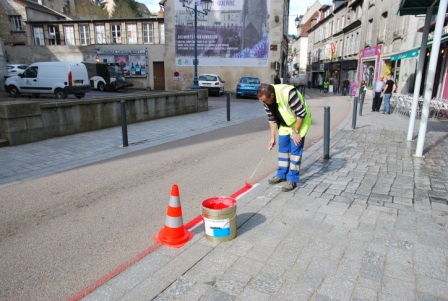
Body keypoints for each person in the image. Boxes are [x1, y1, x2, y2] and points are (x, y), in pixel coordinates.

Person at [256, 83, 312, 192]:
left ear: (272, 96)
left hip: (299, 123)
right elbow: (272, 119)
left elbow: (301, 113)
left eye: (264, 101)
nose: (263, 103)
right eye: (261, 100)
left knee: (295, 152)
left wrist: (296, 132)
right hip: (285, 124)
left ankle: (292, 179)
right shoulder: (265, 99)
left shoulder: (289, 94)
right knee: (283, 149)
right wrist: (272, 137)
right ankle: (281, 174)